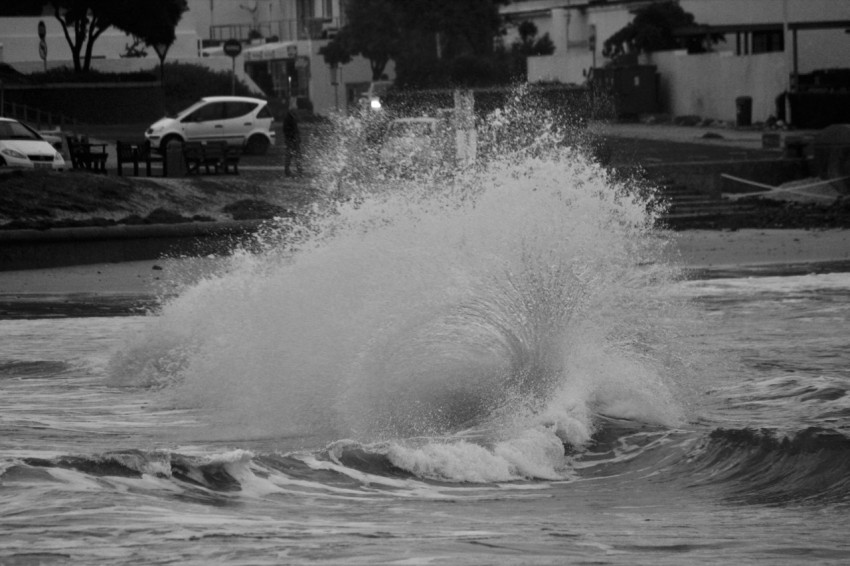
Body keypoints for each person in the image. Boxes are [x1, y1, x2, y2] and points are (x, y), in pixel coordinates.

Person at [282, 110, 302, 177]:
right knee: (292, 155)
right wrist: (293, 137)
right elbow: (287, 130)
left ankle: (298, 170)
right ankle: (291, 170)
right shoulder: (289, 119)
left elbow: (295, 130)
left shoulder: (292, 118)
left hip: (293, 140)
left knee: (294, 155)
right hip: (291, 140)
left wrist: (297, 137)